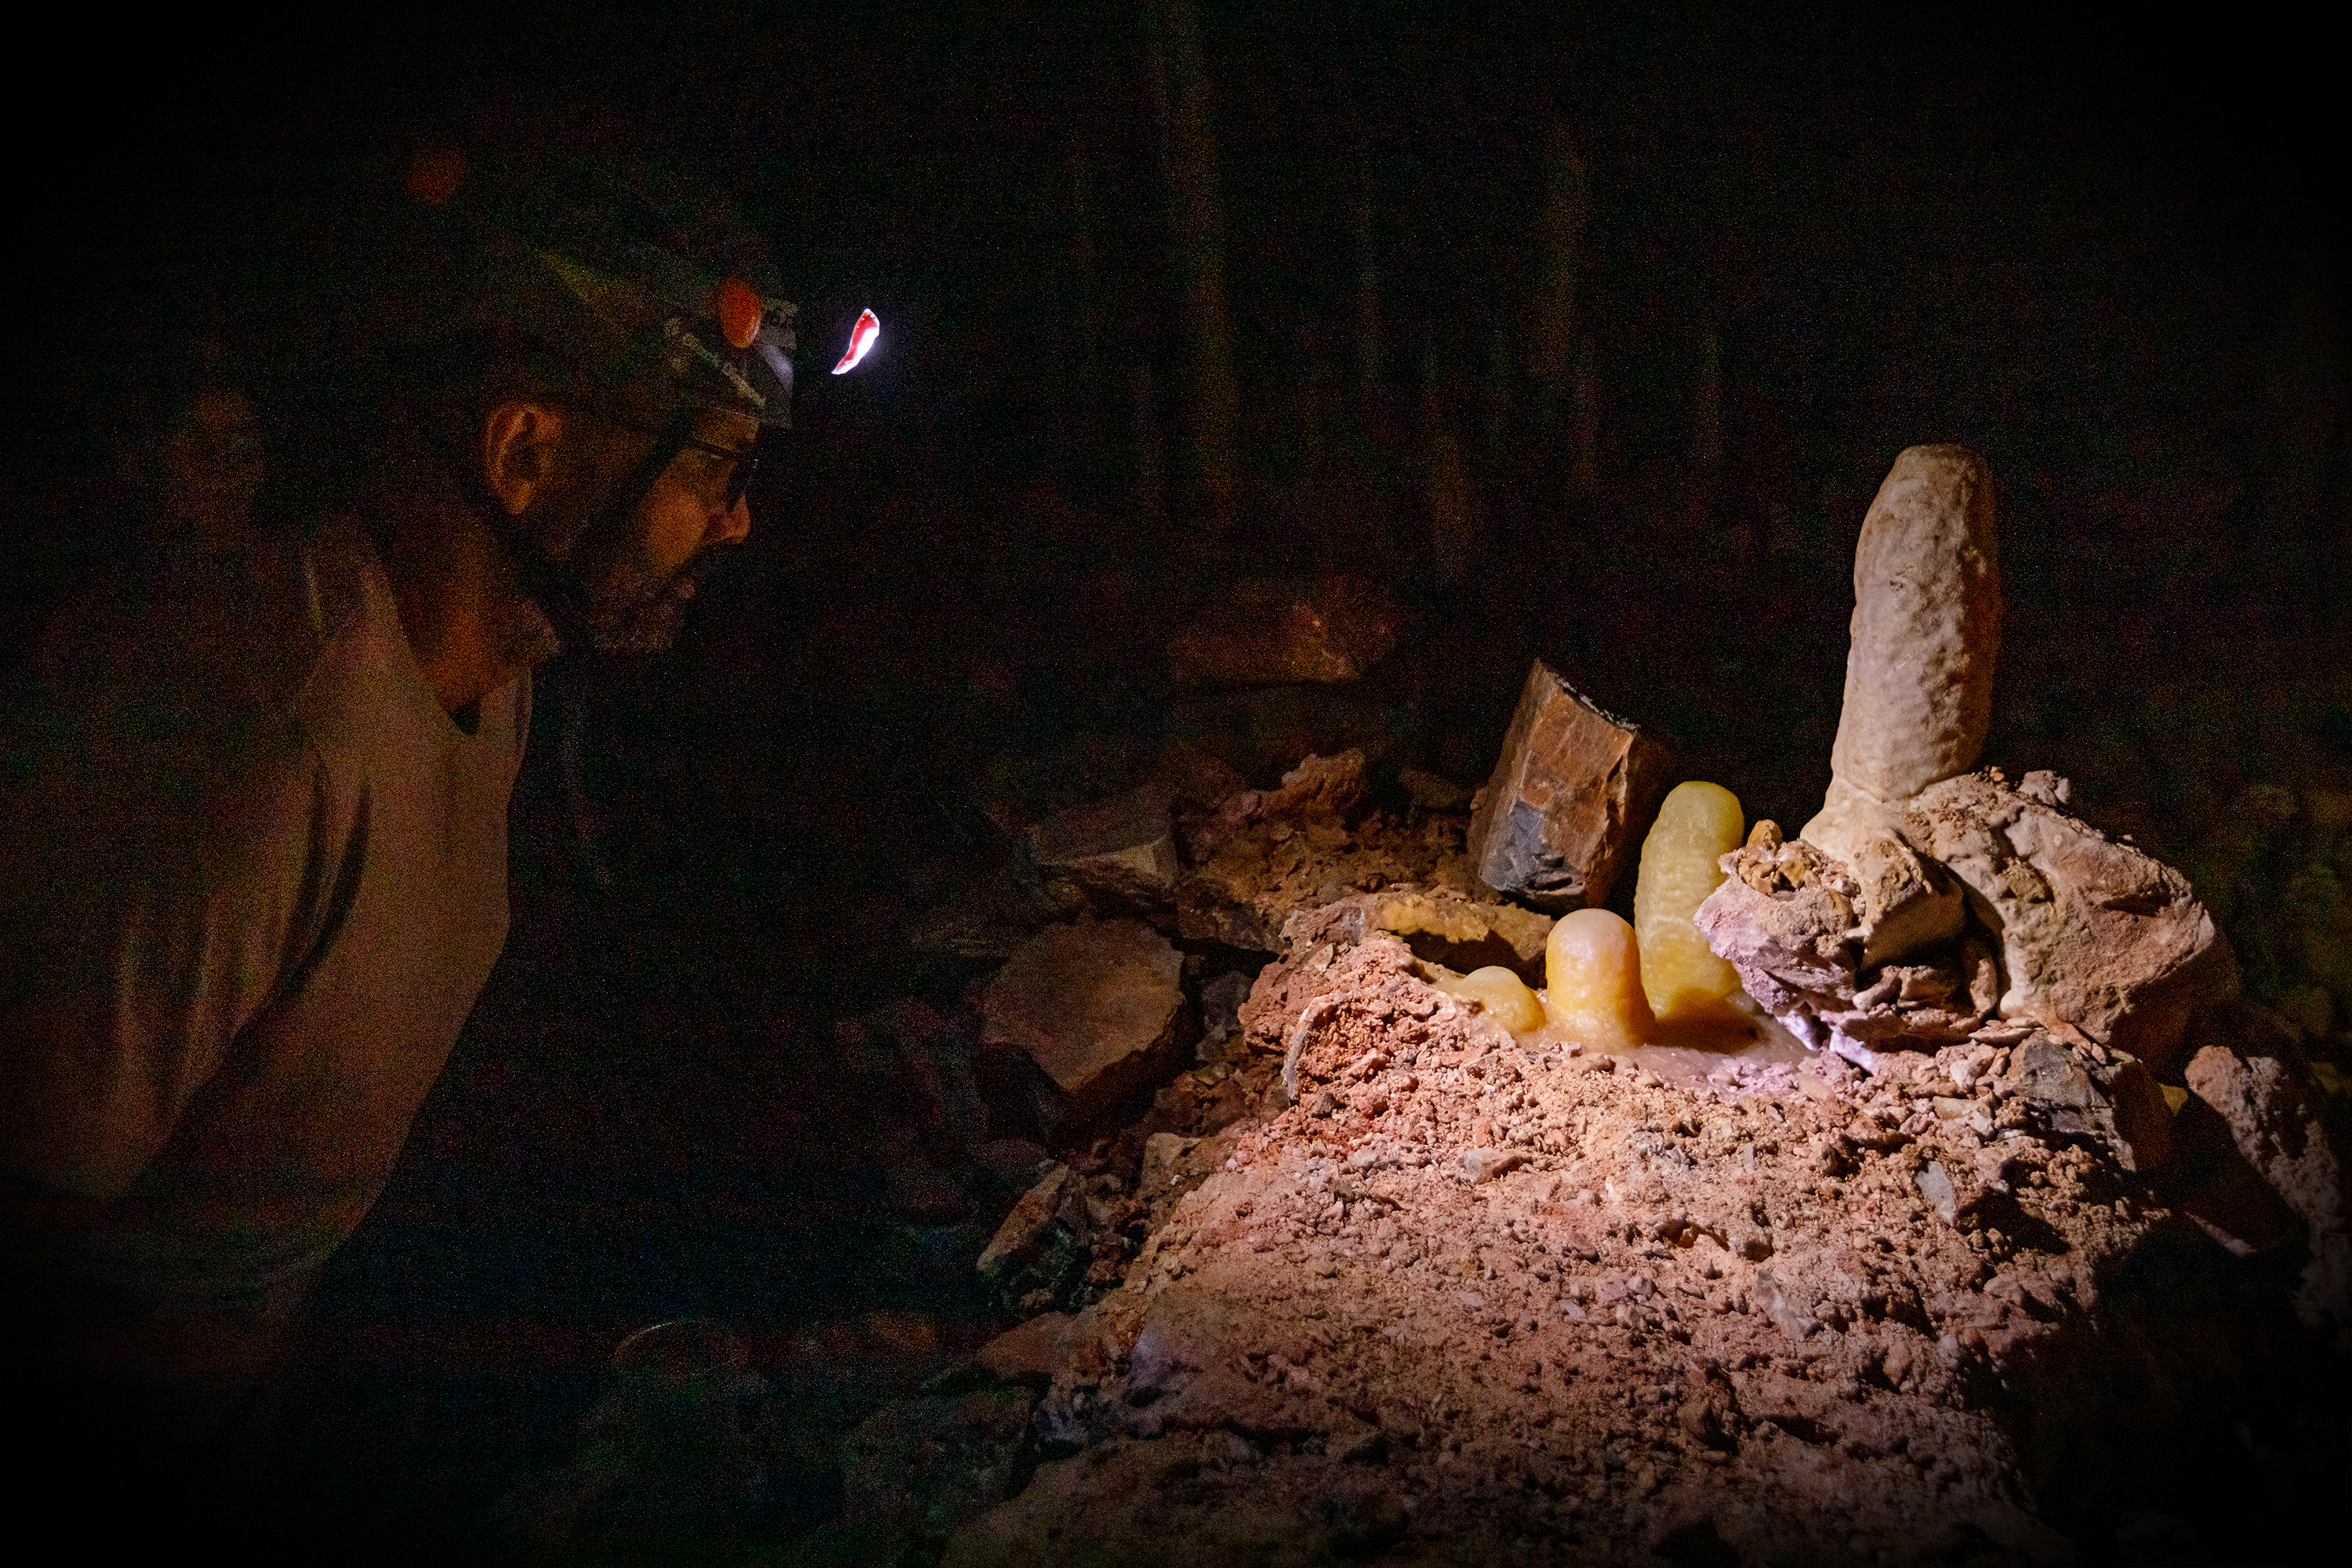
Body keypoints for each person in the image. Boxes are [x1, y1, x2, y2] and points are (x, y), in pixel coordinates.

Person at [0, 149, 797, 1524]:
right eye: (707, 464)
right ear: (524, 450)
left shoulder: (495, 675)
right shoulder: (259, 741)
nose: (736, 521)